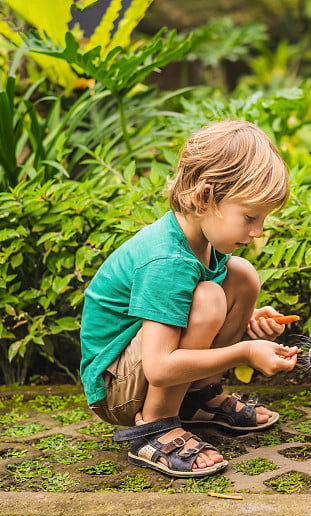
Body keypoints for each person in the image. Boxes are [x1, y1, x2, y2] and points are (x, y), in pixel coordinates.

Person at [80, 120, 299, 478]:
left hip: (143, 364)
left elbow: (179, 315)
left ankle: (198, 396)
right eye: (250, 217)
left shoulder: (201, 242)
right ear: (205, 197)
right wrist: (246, 352)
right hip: (115, 388)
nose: (259, 232)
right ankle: (155, 426)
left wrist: (248, 319)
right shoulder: (168, 261)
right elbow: (160, 367)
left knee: (241, 276)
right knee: (210, 297)